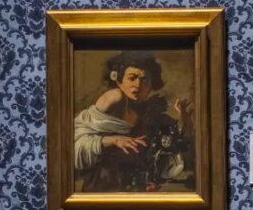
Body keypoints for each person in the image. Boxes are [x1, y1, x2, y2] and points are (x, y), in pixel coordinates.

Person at [73, 51, 190, 191]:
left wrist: (184, 118)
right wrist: (114, 140)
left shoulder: (149, 112)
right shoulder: (114, 98)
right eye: (132, 78)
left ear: (151, 85)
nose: (138, 84)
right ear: (118, 81)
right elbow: (77, 145)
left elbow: (173, 144)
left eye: (144, 79)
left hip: (133, 187)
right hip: (103, 187)